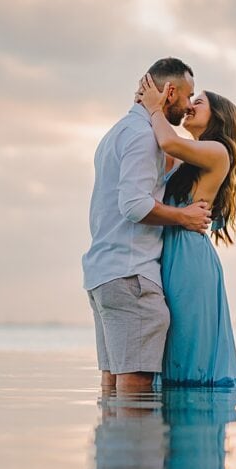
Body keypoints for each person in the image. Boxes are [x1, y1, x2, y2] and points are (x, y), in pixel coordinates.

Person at [82, 58, 213, 394]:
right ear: (169, 92)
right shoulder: (142, 136)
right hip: (131, 276)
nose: (187, 107)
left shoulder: (118, 132)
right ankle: (132, 447)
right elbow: (135, 205)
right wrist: (184, 216)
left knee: (112, 385)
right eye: (188, 96)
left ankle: (117, 445)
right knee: (135, 386)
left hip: (105, 273)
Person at [137, 75, 236, 388]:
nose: (190, 106)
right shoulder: (192, 156)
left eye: (199, 102)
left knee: (187, 341)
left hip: (189, 256)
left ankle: (195, 427)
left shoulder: (218, 150)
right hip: (172, 250)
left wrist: (154, 108)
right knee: (171, 338)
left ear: (218, 116)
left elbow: (167, 141)